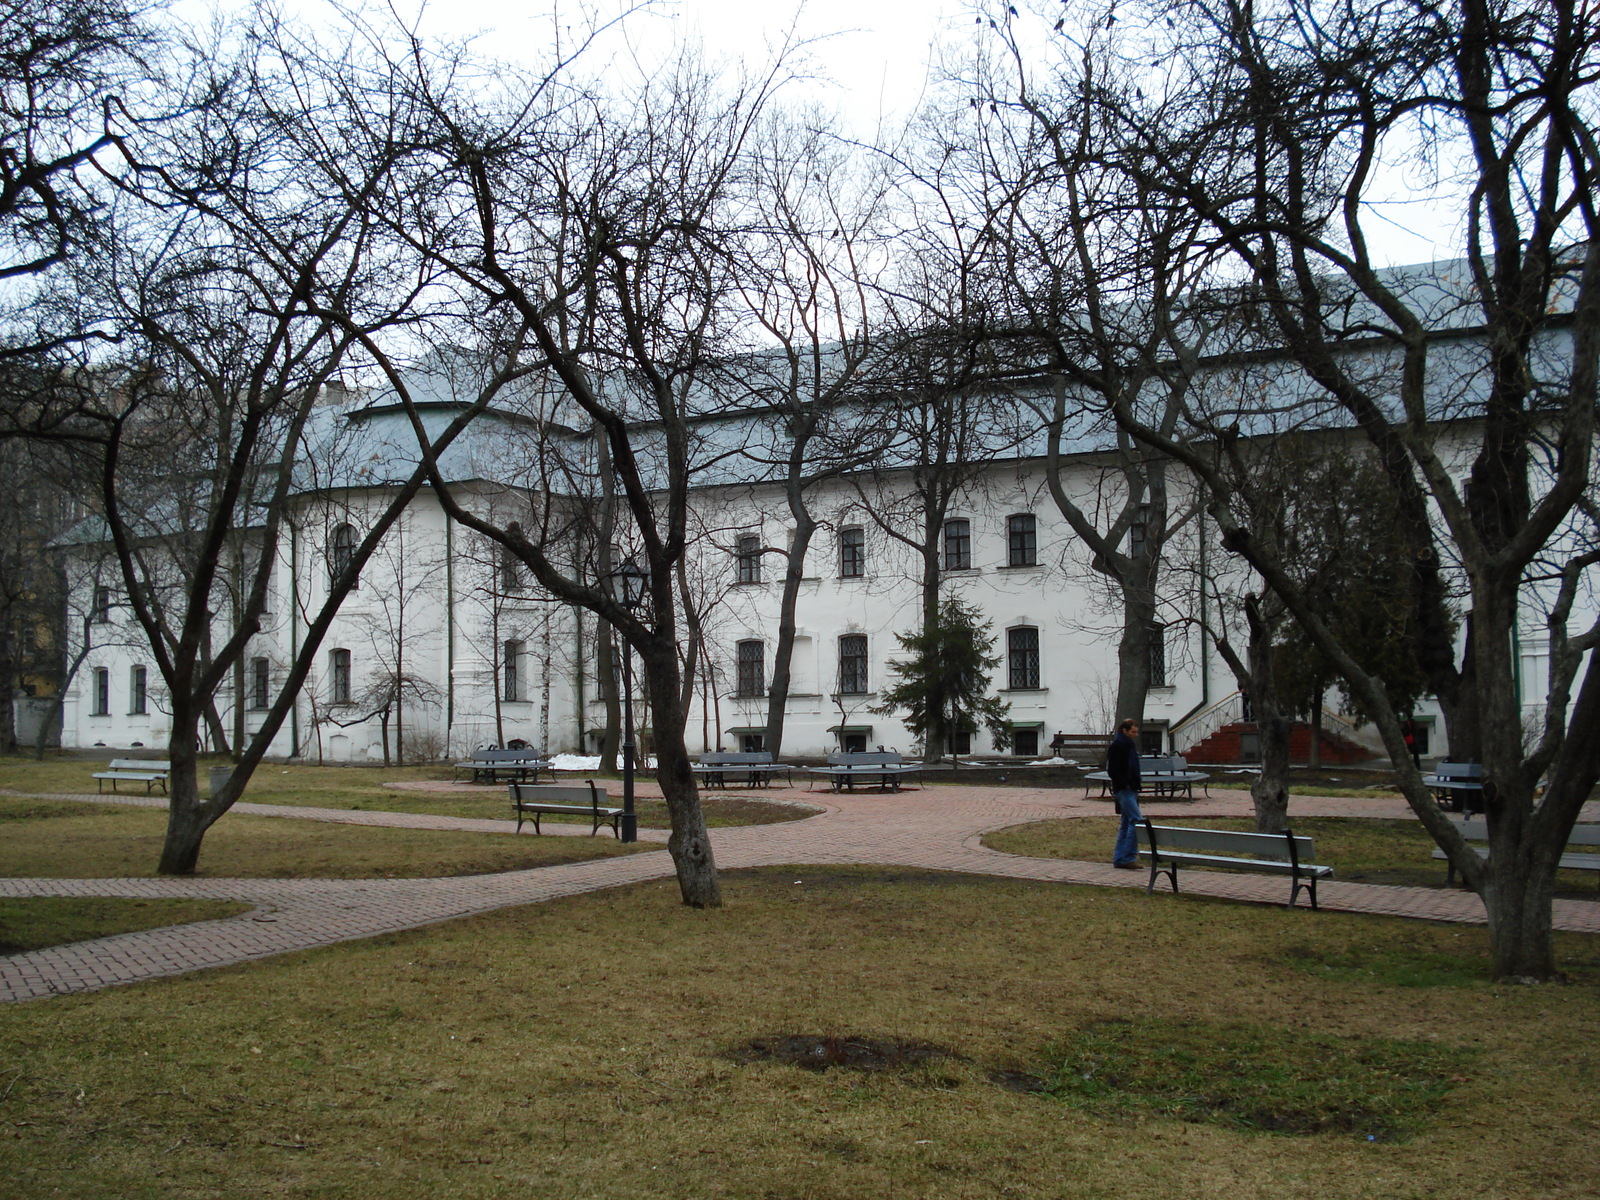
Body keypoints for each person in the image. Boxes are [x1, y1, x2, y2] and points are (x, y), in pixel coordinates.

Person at [1107, 718, 1143, 869]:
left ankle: (1120, 857)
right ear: (1125, 731)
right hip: (1124, 789)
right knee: (1137, 820)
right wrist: (1125, 784)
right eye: (1133, 732)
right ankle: (1127, 856)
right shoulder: (1118, 746)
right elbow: (1113, 770)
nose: (1136, 735)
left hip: (1131, 788)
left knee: (1127, 822)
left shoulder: (1128, 745)